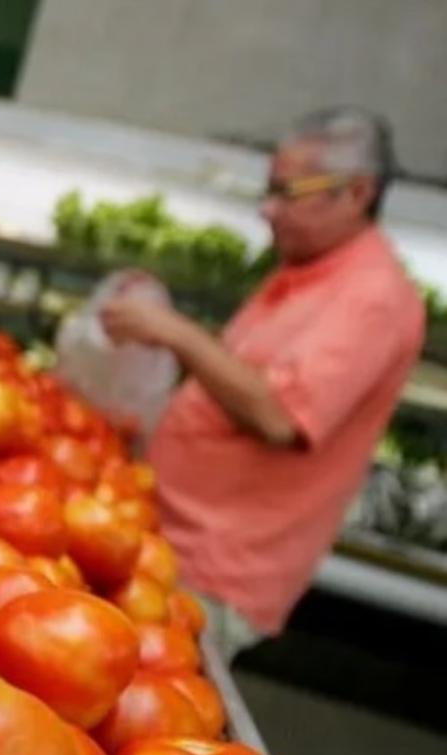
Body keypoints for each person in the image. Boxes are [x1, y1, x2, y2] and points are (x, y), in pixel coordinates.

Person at [101, 107, 425, 659]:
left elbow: (279, 416)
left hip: (214, 566)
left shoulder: (372, 298)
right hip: (166, 535)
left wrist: (177, 332)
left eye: (287, 192)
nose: (268, 210)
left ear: (356, 193)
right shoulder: (303, 272)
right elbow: (237, 382)